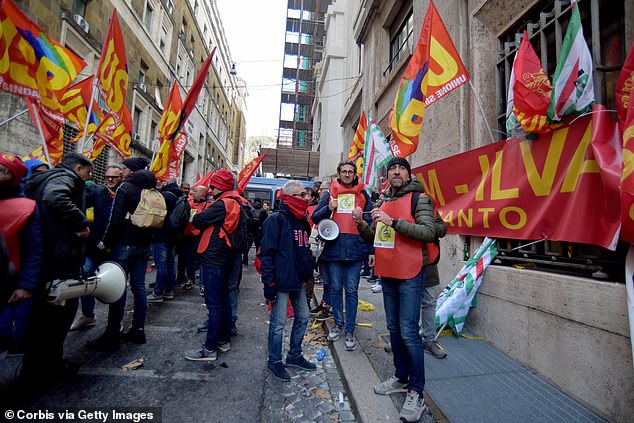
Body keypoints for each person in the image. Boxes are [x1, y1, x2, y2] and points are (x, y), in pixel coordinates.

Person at [353, 157, 437, 423]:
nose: (396, 172)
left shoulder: (420, 199)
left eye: (401, 168)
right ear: (388, 176)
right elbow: (377, 238)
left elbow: (428, 232)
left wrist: (392, 222)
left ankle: (416, 391)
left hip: (411, 273)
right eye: (392, 169)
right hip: (388, 272)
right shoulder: (384, 200)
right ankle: (401, 377)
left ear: (409, 174)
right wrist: (361, 225)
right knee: (394, 329)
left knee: (410, 333)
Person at [21, 152, 93, 382]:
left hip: (46, 253)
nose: (87, 177)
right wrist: (80, 222)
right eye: (87, 172)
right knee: (59, 314)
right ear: (79, 168)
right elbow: (55, 197)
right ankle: (48, 366)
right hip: (60, 257)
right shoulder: (66, 178)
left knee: (42, 314)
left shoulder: (42, 179)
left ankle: (35, 366)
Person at [86, 157, 155, 351]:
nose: (122, 171)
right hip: (143, 245)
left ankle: (112, 333)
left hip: (123, 244)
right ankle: (138, 329)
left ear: (131, 171)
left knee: (119, 287)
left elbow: (114, 220)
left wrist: (105, 243)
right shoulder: (151, 189)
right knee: (139, 287)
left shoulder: (126, 188)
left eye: (124, 168)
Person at [312, 160, 373, 352]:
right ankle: (338, 324)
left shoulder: (364, 195)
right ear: (338, 175)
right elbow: (315, 218)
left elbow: (372, 225)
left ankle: (349, 330)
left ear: (355, 175)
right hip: (335, 251)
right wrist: (329, 207)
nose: (347, 174)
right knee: (336, 290)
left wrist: (372, 250)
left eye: (350, 172)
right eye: (344, 171)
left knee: (352, 292)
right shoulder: (330, 193)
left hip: (355, 251)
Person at [184, 169, 245, 361]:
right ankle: (223, 340)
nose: (210, 189)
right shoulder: (235, 201)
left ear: (221, 186)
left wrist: (202, 218)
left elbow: (198, 220)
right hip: (225, 255)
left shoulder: (221, 204)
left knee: (214, 303)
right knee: (224, 299)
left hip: (214, 256)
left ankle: (209, 348)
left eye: (213, 185)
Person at [260, 180, 316, 382]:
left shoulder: (302, 220)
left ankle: (294, 355)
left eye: (307, 194)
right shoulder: (275, 219)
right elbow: (266, 255)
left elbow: (303, 250)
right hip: (281, 281)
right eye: (302, 195)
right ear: (291, 197)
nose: (307, 198)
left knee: (303, 317)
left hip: (299, 281)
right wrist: (269, 285)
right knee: (278, 323)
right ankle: (274, 361)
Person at [71, 165, 123, 330]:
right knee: (85, 278)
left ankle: (115, 322)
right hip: (93, 247)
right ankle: (88, 315)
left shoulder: (124, 194)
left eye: (113, 177)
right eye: (107, 176)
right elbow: (86, 214)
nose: (109, 180)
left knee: (117, 285)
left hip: (115, 249)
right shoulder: (97, 193)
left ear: (121, 178)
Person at [0, 154, 43, 357]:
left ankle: (16, 338)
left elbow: (34, 249)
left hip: (12, 275)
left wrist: (26, 284)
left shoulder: (26, 207)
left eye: (2, 170)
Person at [148, 177, 183, 303]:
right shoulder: (179, 195)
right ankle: (169, 290)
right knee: (171, 263)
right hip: (173, 235)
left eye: (162, 181)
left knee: (161, 265)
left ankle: (158, 292)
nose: (160, 183)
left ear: (167, 183)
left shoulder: (165, 196)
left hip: (161, 234)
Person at [182, 186, 209, 291]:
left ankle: (203, 284)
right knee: (189, 260)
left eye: (195, 191)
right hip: (188, 235)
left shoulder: (207, 205)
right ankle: (191, 280)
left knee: (202, 261)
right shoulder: (189, 203)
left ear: (202, 194)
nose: (192, 192)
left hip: (200, 236)